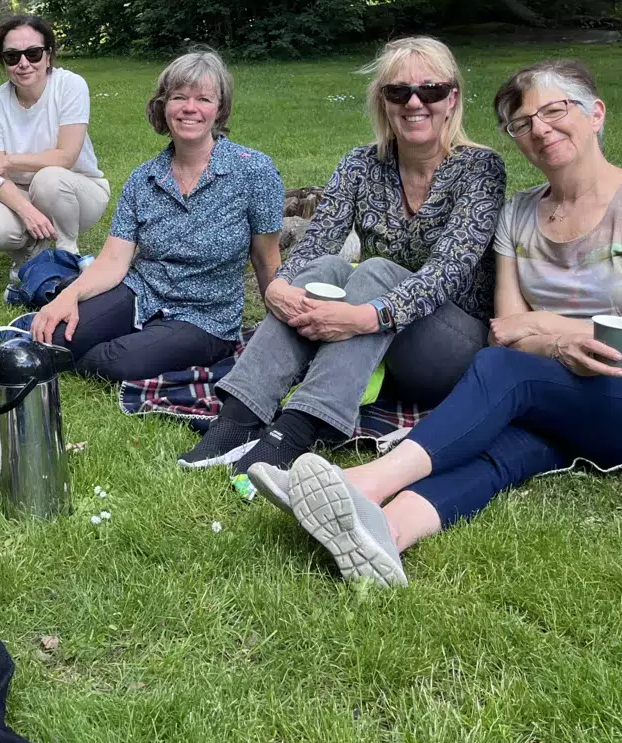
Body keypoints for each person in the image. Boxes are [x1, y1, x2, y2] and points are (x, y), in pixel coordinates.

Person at [249, 59, 622, 587]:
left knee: (504, 373)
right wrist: (549, 345)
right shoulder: (519, 215)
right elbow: (507, 328)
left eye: (554, 111)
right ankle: (387, 534)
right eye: (522, 123)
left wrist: (555, 330)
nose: (540, 129)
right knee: (501, 447)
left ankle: (364, 484)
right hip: (567, 398)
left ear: (596, 113)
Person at [181, 37, 507, 475]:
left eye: (429, 90)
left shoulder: (479, 169)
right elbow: (318, 239)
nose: (414, 102)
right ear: (383, 102)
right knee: (324, 268)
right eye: (398, 91)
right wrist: (279, 286)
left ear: (452, 99)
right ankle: (240, 416)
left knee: (372, 270)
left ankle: (301, 427)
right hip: (375, 346)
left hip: (449, 346)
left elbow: (447, 272)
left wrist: (366, 316)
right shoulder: (361, 165)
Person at [21, 51, 283, 381]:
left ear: (219, 109)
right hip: (143, 292)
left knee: (114, 362)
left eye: (203, 99)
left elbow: (266, 260)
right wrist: (69, 297)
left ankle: (123, 344)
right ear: (164, 106)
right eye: (179, 97)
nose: (190, 108)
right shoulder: (143, 179)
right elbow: (113, 261)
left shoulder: (254, 172)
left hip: (206, 316)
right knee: (57, 339)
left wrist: (280, 334)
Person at [0, 15, 109, 275]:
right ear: (3, 62)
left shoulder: (70, 85)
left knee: (48, 178)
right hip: (21, 191)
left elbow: (66, 158)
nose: (24, 63)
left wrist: (8, 160)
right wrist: (27, 211)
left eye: (33, 53)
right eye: (13, 57)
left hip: (78, 189)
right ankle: (30, 257)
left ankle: (67, 253)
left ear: (48, 55)